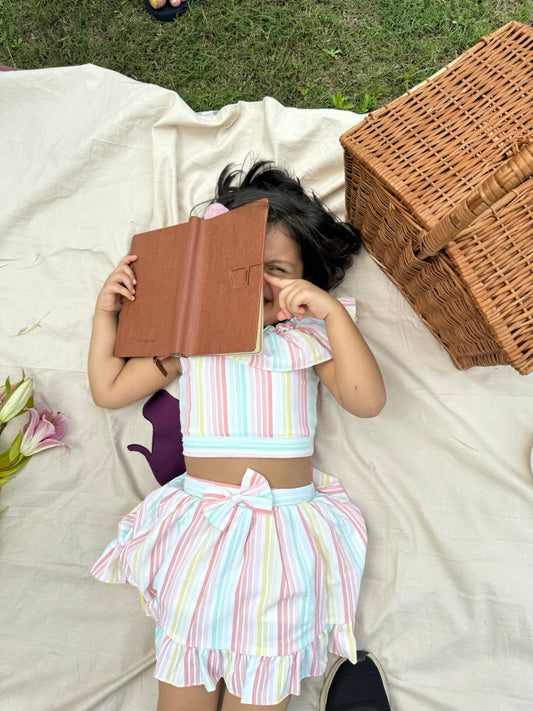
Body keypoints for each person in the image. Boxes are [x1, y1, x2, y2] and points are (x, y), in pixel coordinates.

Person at [89, 161, 386, 711]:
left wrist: (330, 316)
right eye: (242, 268)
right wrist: (105, 314)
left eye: (277, 270)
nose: (257, 284)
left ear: (306, 278)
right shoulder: (189, 339)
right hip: (203, 529)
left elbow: (366, 401)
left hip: (283, 535)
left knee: (264, 679)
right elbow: (109, 388)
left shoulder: (307, 336)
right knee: (185, 673)